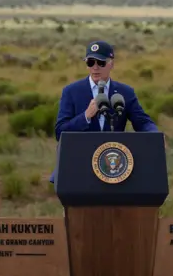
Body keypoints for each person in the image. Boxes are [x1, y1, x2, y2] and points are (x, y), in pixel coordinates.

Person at [49, 40, 159, 183]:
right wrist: (86, 116)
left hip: (114, 168)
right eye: (90, 62)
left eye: (101, 63)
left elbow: (143, 122)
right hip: (78, 168)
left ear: (111, 64)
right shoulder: (71, 91)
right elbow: (60, 132)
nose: (95, 67)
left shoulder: (125, 92)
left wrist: (155, 135)